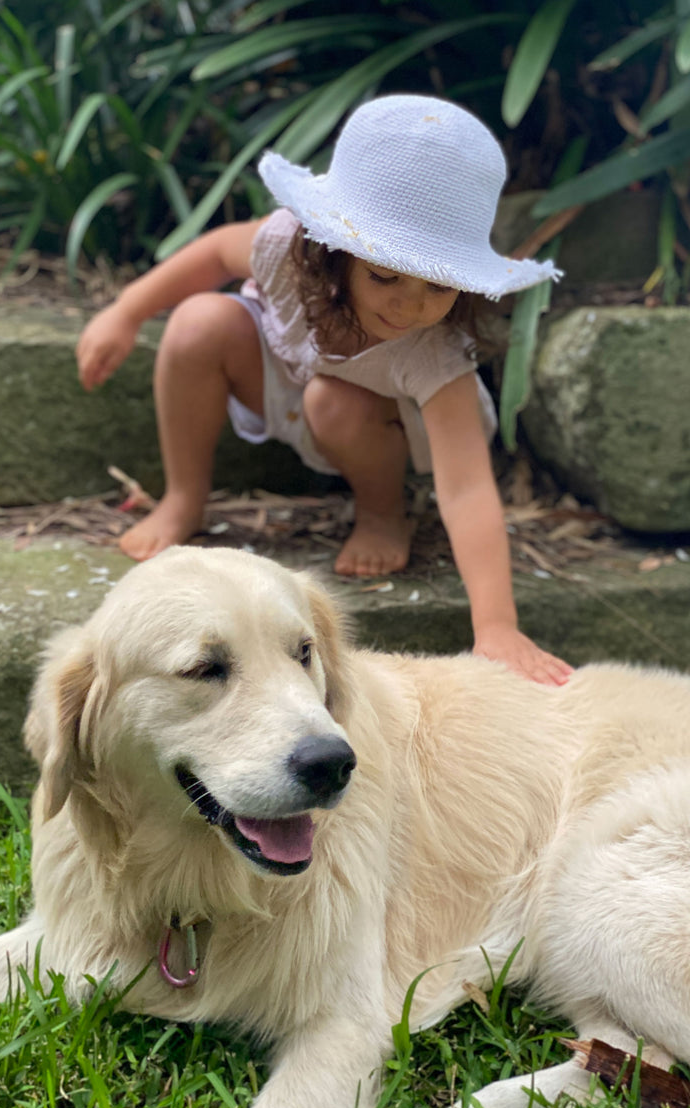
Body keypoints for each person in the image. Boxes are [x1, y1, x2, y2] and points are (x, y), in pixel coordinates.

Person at [76, 93, 573, 685]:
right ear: (336, 250)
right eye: (384, 274)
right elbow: (213, 253)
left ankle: (382, 513)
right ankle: (184, 496)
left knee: (334, 400)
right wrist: (127, 312)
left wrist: (496, 626)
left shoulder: (433, 351)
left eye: (439, 288)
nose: (408, 306)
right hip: (284, 385)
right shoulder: (286, 248)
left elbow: (466, 487)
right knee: (197, 322)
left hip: (372, 429)